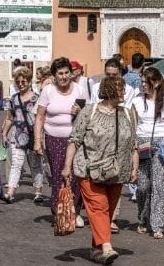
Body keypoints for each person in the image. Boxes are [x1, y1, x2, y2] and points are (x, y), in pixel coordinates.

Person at [62, 76, 138, 264]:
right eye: (120, 88)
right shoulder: (90, 111)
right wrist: (67, 166)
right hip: (89, 169)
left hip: (117, 171)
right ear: (110, 90)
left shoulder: (127, 114)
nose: (124, 92)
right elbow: (74, 140)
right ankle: (106, 246)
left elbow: (133, 144)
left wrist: (134, 167)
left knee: (108, 211)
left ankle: (97, 250)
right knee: (99, 207)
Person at [34, 57, 88, 227]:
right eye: (60, 73)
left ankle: (75, 211)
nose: (64, 77)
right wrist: (37, 140)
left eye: (66, 73)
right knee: (59, 174)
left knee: (75, 174)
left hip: (76, 138)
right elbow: (40, 116)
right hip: (53, 138)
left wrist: (80, 111)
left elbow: (89, 113)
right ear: (54, 75)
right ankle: (60, 210)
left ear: (71, 74)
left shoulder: (79, 89)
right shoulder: (48, 91)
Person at [89, 58, 140, 228]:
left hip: (120, 137)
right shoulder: (96, 87)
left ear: (120, 73)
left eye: (114, 75)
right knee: (99, 177)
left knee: (116, 177)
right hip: (100, 137)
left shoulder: (129, 90)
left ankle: (112, 217)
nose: (111, 78)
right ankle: (101, 212)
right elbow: (92, 108)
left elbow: (130, 112)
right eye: (108, 74)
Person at [133, 67, 164, 239]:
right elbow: (134, 125)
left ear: (157, 82)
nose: (143, 85)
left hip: (162, 143)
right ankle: (143, 218)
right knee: (143, 186)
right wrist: (133, 149)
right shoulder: (136, 101)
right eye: (142, 81)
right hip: (142, 143)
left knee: (160, 185)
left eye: (147, 82)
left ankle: (157, 224)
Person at [1, 66, 44, 203]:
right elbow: (9, 117)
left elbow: (42, 119)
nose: (20, 84)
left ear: (29, 81)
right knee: (16, 164)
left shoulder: (38, 99)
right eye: (18, 82)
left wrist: (40, 137)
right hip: (18, 135)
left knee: (35, 165)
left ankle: (38, 192)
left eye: (23, 81)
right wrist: (4, 133)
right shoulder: (13, 99)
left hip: (33, 135)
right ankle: (10, 192)